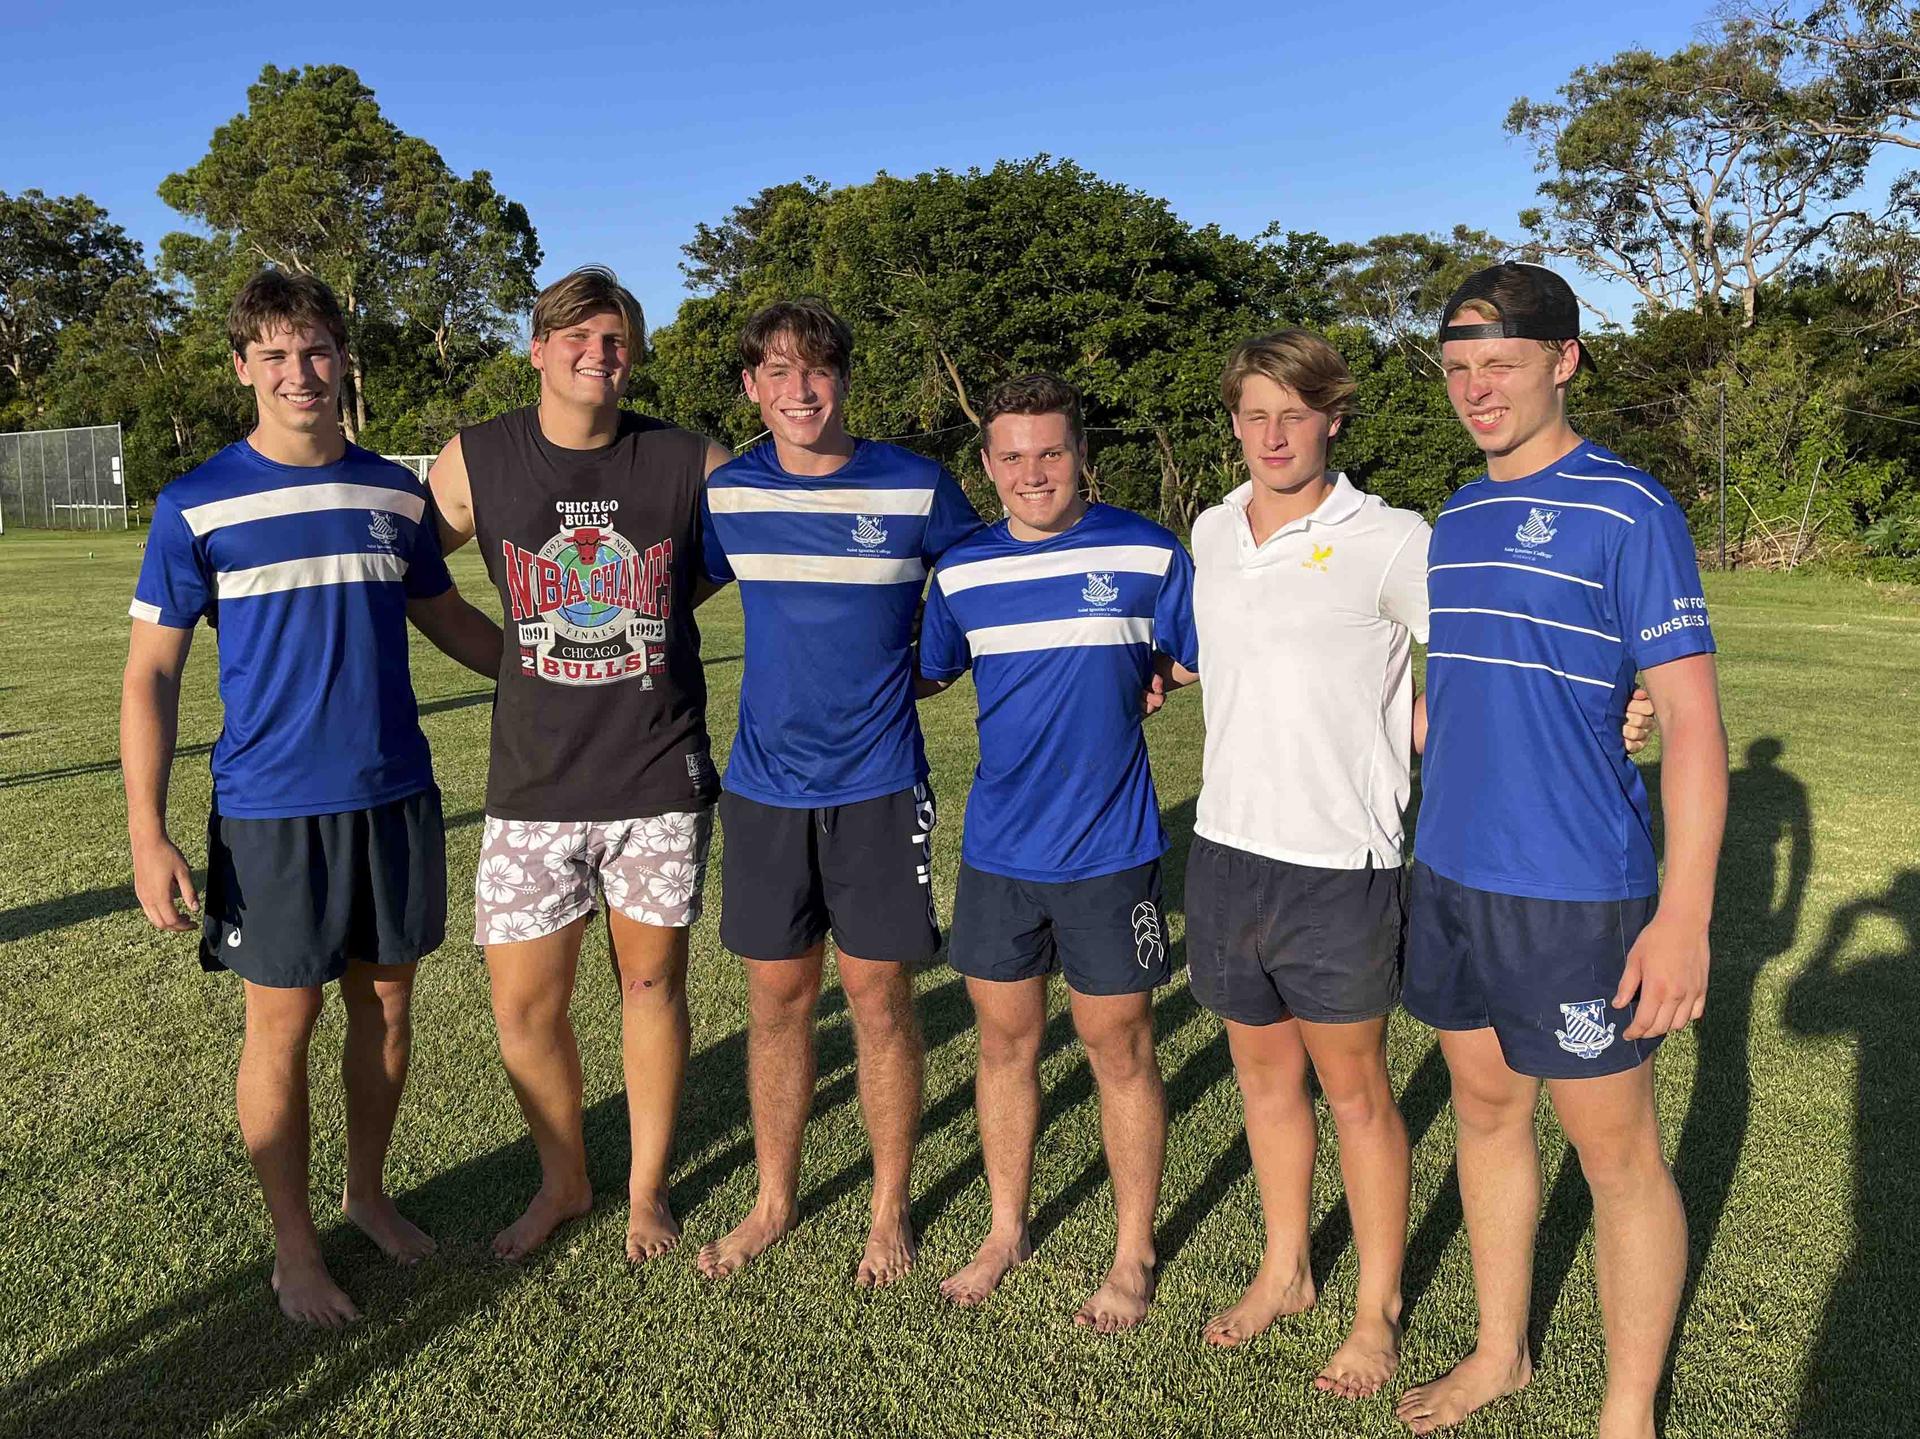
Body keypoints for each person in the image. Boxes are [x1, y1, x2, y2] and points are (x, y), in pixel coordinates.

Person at [1158, 330, 1655, 1398]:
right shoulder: (1212, 528)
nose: (1273, 436)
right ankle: (1286, 1269)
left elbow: (1492, 649)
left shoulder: (1392, 539)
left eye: (1295, 414)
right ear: (1233, 423)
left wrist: (1617, 703)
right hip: (1227, 849)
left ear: (1334, 418)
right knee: (1264, 1080)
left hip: (1342, 860)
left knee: (1356, 1096)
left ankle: (1375, 1311)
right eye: (1254, 415)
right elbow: (1231, 654)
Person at [122, 269, 501, 1325]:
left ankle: (364, 1195)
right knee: (280, 1021)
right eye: (277, 355)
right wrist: (147, 830)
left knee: (387, 1004)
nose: (300, 372)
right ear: (244, 367)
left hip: (394, 792)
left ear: (343, 359)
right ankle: (295, 1248)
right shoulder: (195, 503)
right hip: (270, 809)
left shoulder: (393, 493)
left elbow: (446, 615)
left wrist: (552, 671)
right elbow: (150, 673)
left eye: (318, 350)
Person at [1395, 263, 1726, 1439]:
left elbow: (1692, 723)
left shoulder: (1630, 508)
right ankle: (1502, 1351)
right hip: (1451, 874)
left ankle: (1627, 1409)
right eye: (1458, 369)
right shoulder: (1455, 515)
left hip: (1574, 887)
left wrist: (1682, 916)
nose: (1477, 389)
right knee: (1486, 1110)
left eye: (1502, 363)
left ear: (1565, 359)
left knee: (1615, 1153)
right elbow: (1468, 696)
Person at [426, 266, 733, 1263]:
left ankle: (646, 1190)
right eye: (578, 337)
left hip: (656, 772)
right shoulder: (478, 457)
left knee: (651, 986)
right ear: (538, 348)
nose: (598, 354)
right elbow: (417, 577)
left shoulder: (688, 459)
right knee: (524, 1006)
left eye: (615, 340)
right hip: (534, 782)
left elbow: (728, 560)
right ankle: (564, 1180)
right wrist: (509, 657)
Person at [696, 299, 983, 1286]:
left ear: (845, 380)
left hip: (879, 784)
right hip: (764, 789)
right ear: (751, 387)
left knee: (878, 996)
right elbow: (662, 597)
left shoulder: (915, 485)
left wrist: (930, 666)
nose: (800, 389)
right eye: (777, 372)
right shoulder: (729, 494)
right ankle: (773, 1200)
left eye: (817, 368)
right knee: (778, 999)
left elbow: (981, 584)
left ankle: (888, 1205)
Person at [917, 374, 1195, 1333]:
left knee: (1120, 1047)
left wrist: (1157, 675)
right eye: (1012, 456)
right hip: (1000, 852)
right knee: (1004, 1044)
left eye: (1050, 452)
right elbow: (927, 670)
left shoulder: (1148, 551)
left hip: (1111, 850)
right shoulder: (961, 571)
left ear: (1082, 455)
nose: (1032, 473)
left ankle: (1132, 1250)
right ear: (986, 464)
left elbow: (1202, 649)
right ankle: (1006, 1229)